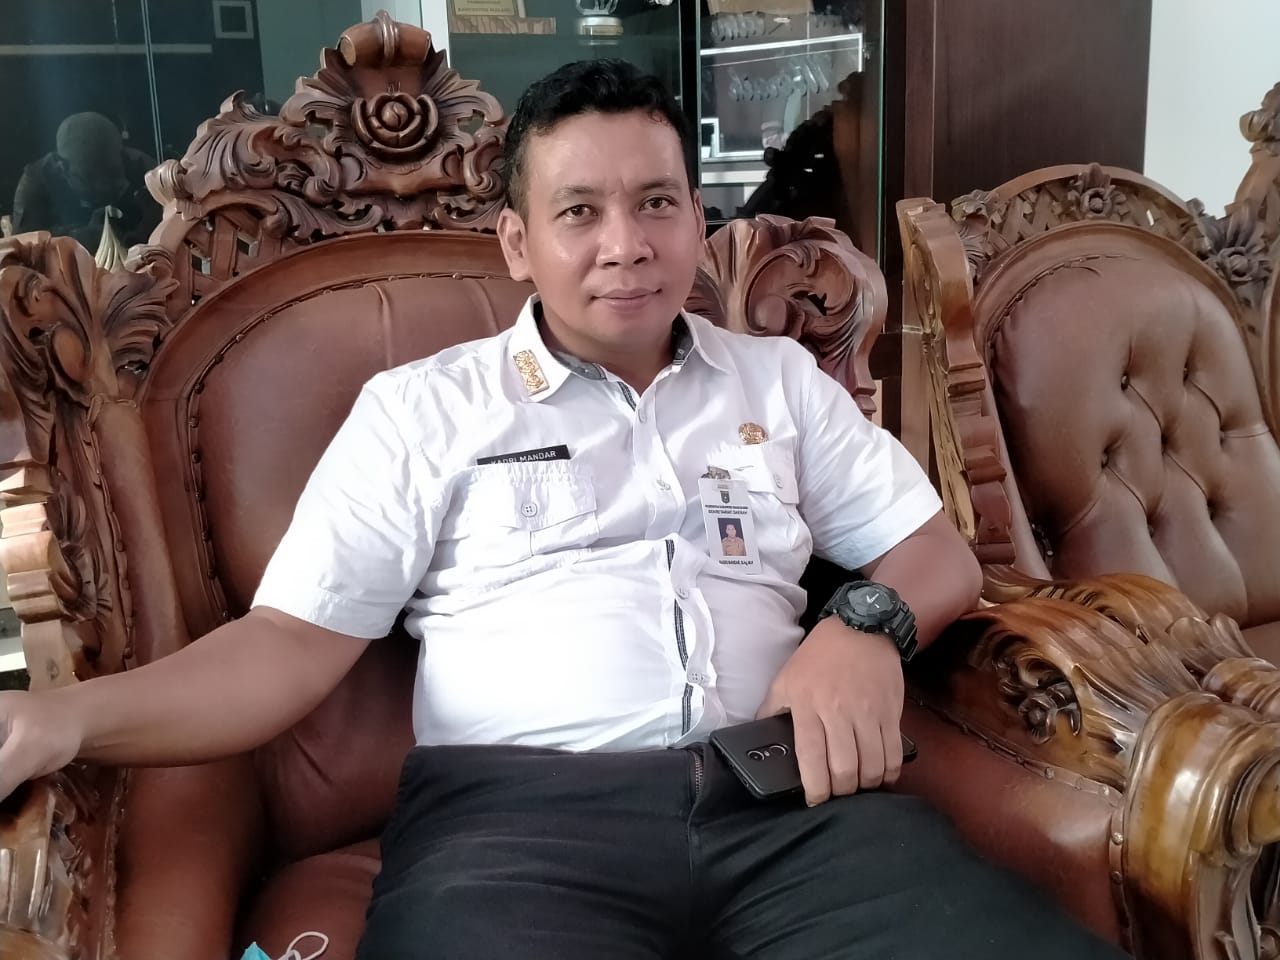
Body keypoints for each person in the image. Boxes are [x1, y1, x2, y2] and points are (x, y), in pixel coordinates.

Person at [0, 61, 1127, 959]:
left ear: (695, 220)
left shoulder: (777, 381)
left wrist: (861, 629)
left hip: (793, 805)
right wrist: (64, 720)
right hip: (515, 834)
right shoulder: (424, 410)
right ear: (517, 242)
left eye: (656, 204)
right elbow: (286, 646)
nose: (625, 245)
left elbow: (933, 551)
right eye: (579, 211)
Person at [11, 111, 160, 249]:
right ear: (61, 166)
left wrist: (146, 228)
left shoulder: (141, 166)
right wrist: (77, 237)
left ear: (121, 152)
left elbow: (172, 208)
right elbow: (22, 245)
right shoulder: (37, 180)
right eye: (90, 176)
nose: (103, 185)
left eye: (112, 172)